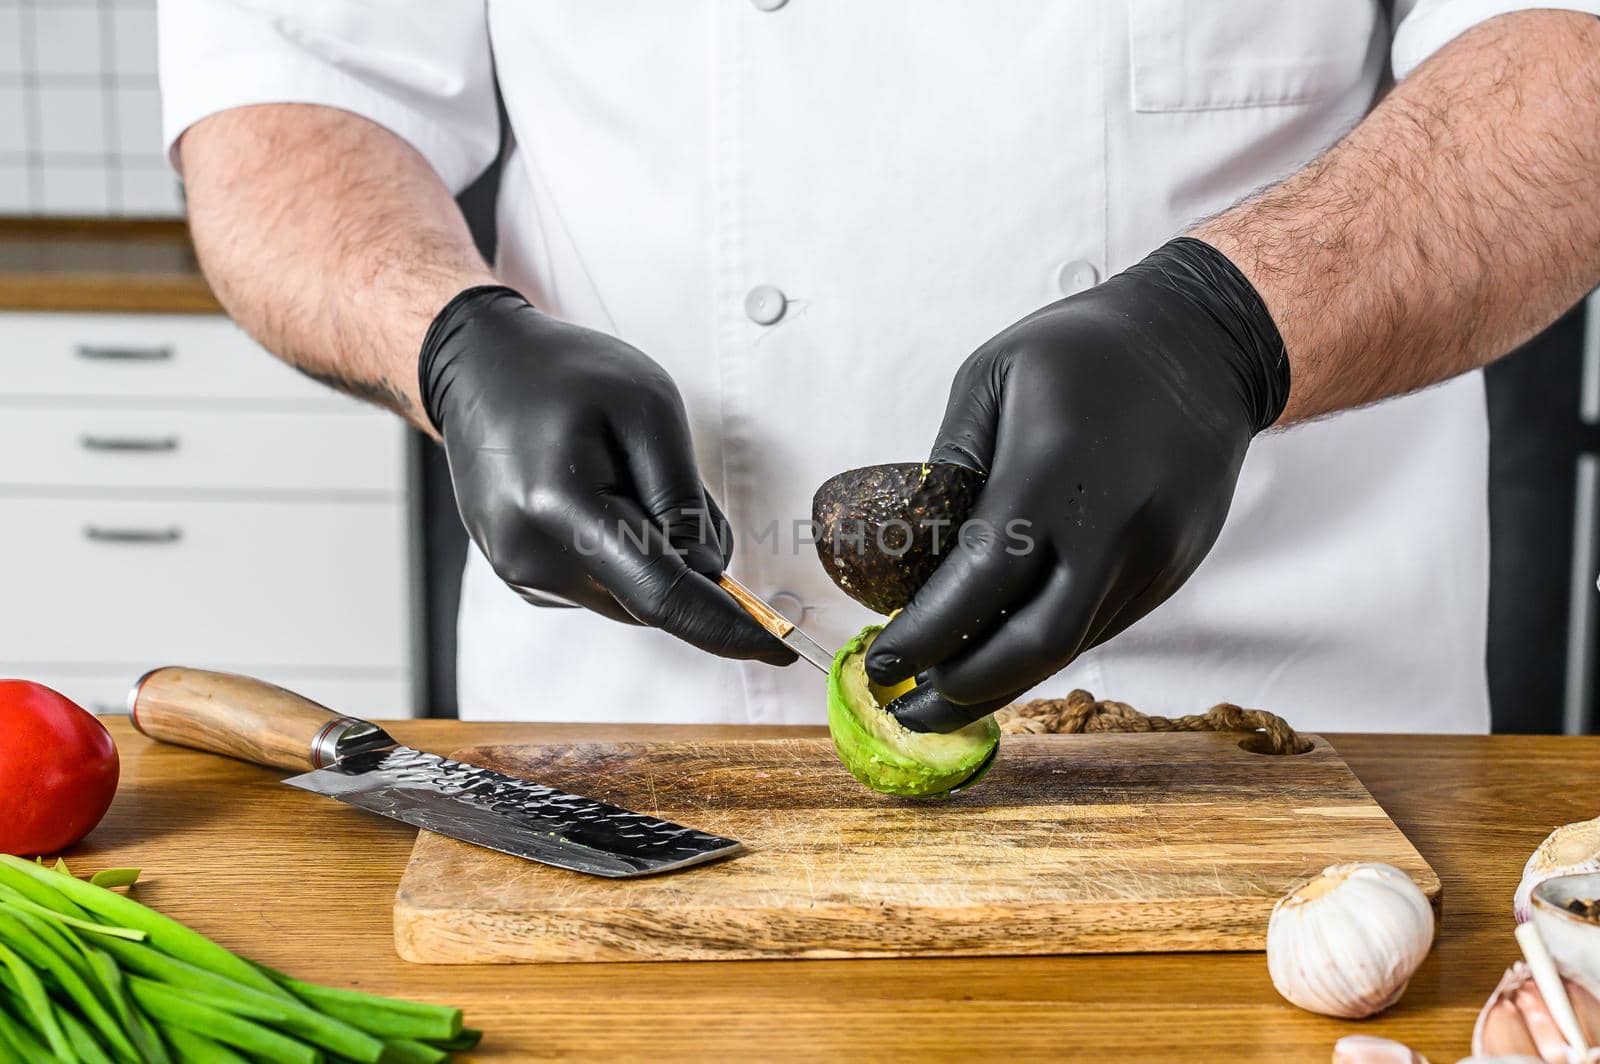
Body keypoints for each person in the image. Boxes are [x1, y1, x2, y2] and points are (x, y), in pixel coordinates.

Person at [159, 2, 1600, 732]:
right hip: (644, 729)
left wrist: (1232, 329)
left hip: (1271, 701)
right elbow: (289, 98)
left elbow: (1565, 56)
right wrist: (450, 336)